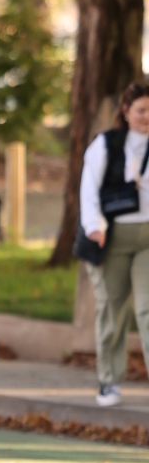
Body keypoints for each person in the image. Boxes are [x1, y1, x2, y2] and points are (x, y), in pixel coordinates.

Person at [79, 77, 149, 408]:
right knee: (113, 311)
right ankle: (109, 381)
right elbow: (88, 188)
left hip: (147, 239)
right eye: (142, 110)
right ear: (126, 111)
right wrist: (94, 225)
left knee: (147, 310)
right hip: (112, 238)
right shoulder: (106, 144)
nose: (147, 117)